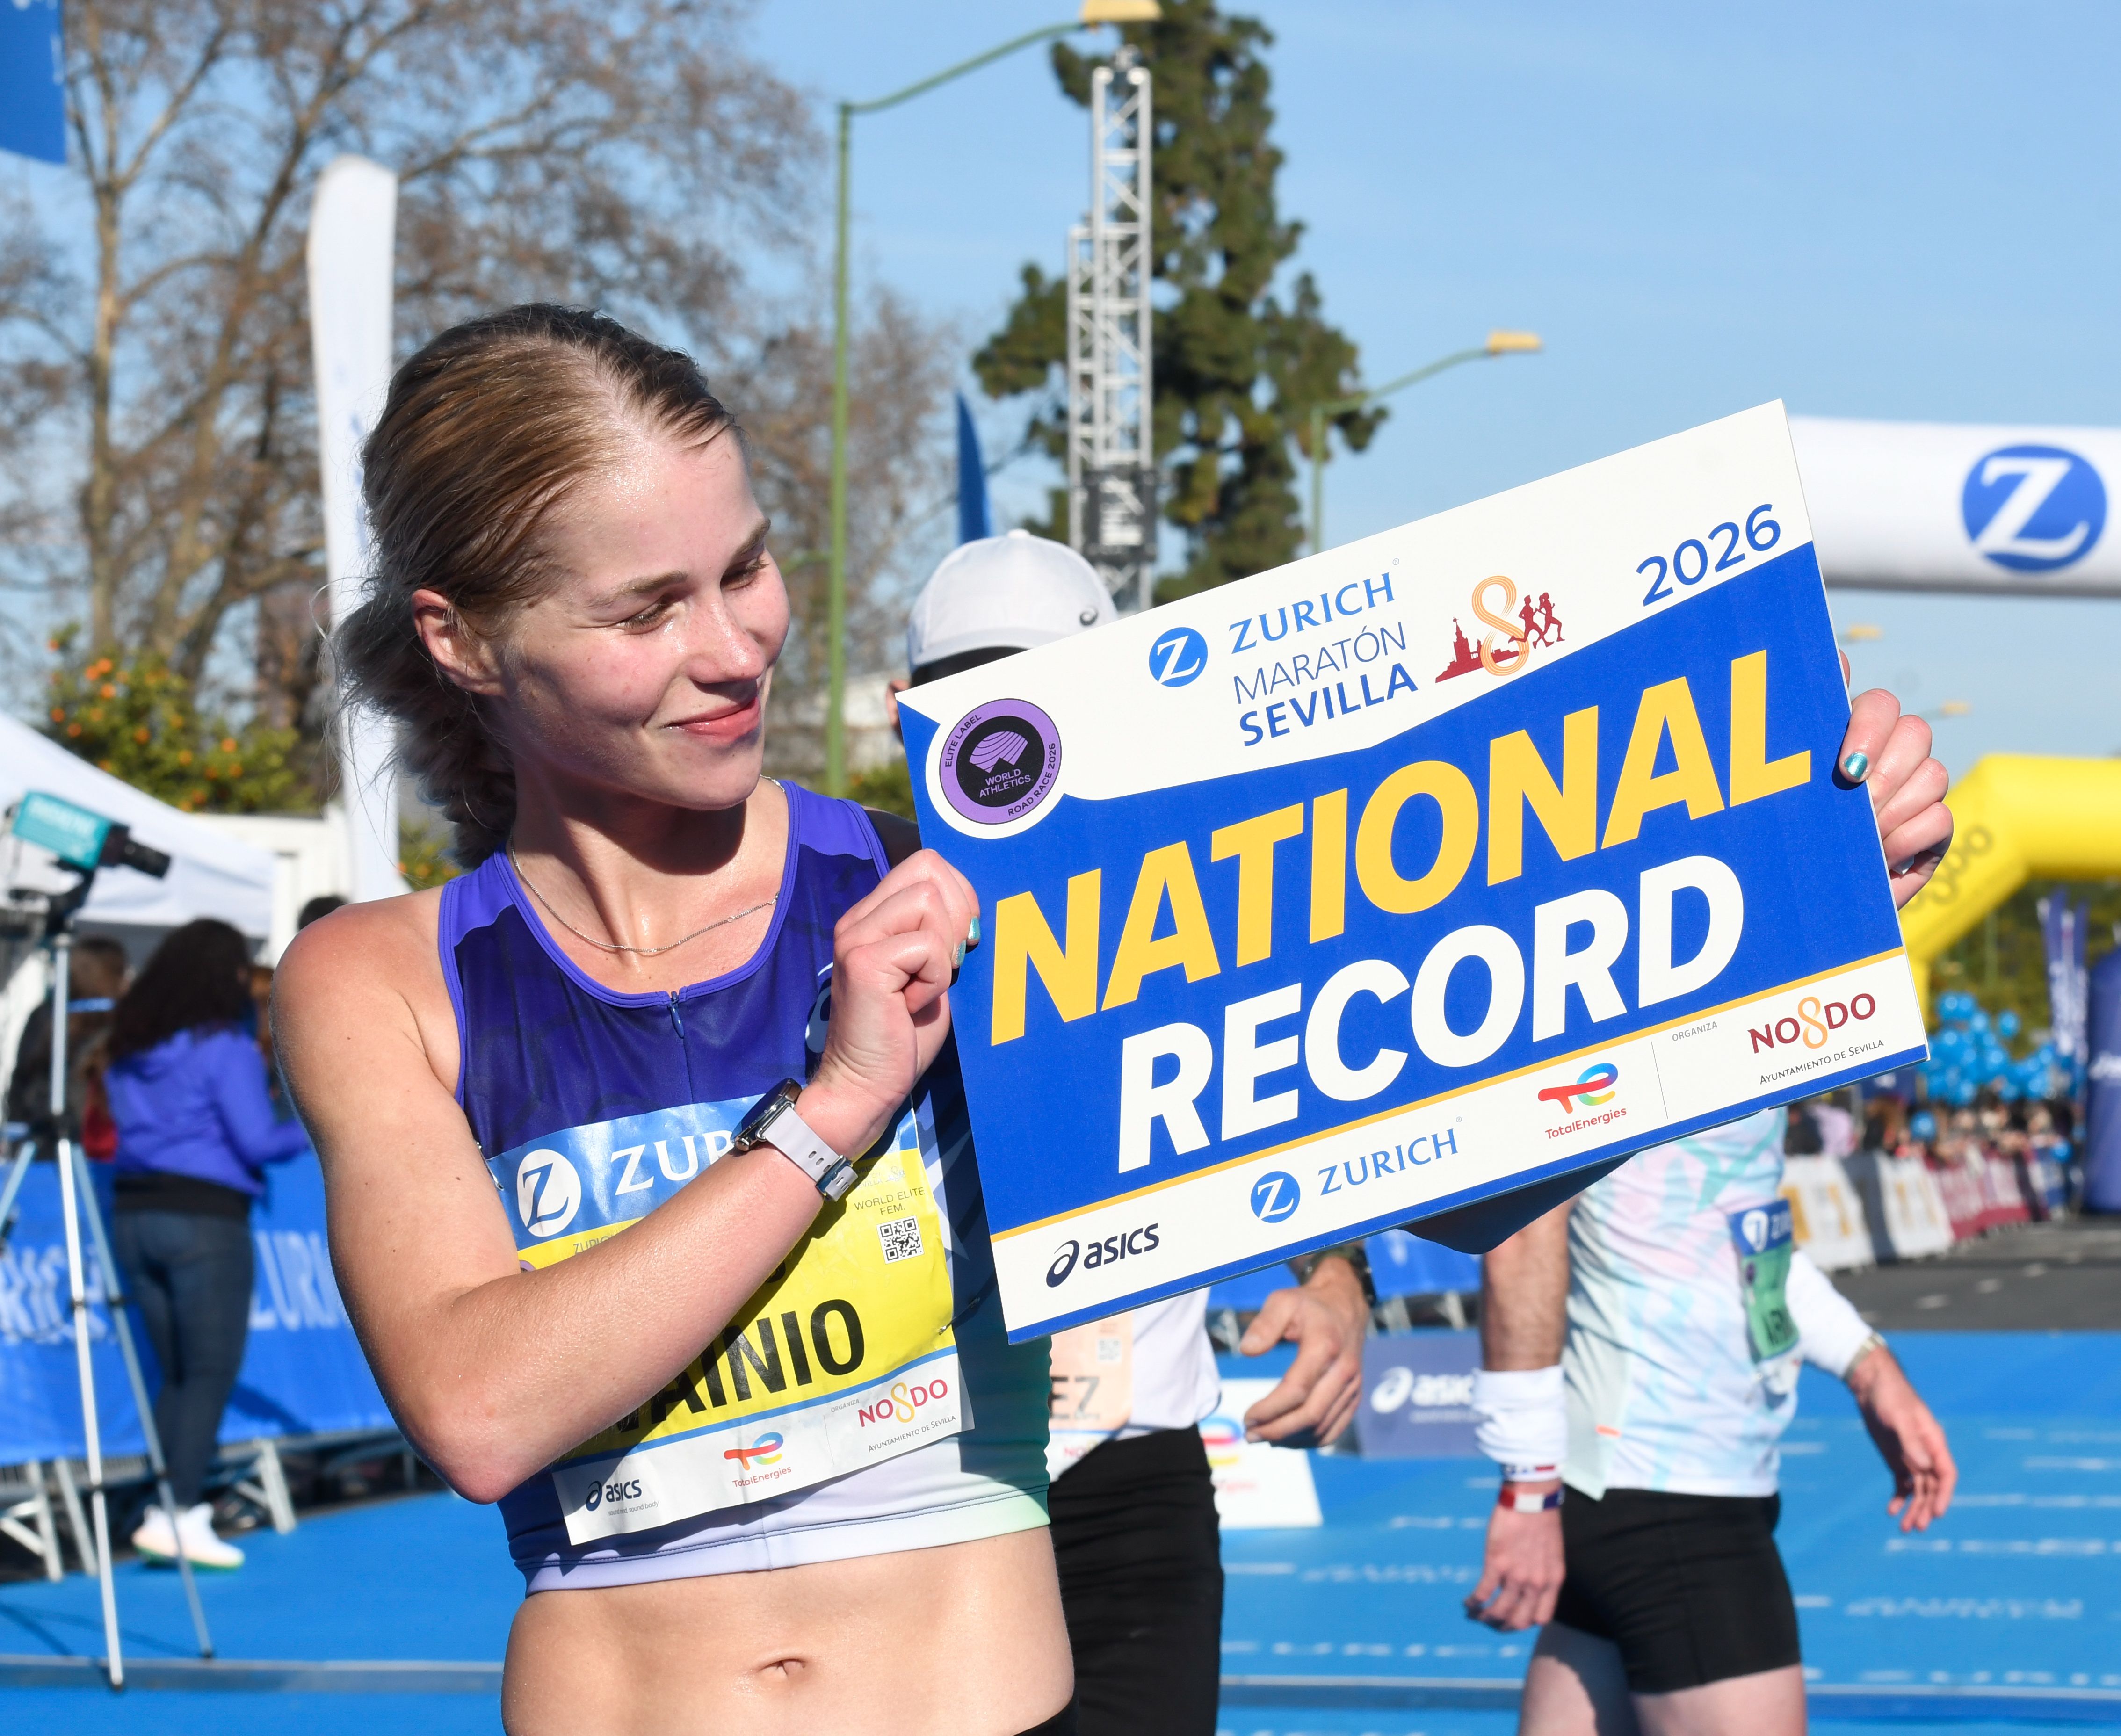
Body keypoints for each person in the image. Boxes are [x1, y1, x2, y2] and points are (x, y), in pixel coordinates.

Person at [275, 305, 1065, 1735]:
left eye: (746, 567)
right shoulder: (378, 978)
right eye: (648, 610)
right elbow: (481, 1406)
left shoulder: (941, 884)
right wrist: (832, 1110)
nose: (734, 645)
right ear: (461, 638)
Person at [886, 529, 1373, 1736]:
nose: (1006, 734)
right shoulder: (843, 906)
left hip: (1130, 1480)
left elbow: (1298, 1085)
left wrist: (1336, 1273)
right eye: (969, 695)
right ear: (906, 711)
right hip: (914, 1489)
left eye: (1044, 692)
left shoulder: (1208, 888)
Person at [1462, 690, 1959, 1736]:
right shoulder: (1614, 955)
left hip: (1659, 1477)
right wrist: (1525, 1482)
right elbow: (1520, 1222)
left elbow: (1743, 1229)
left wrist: (1869, 1364)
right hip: (1666, 1487)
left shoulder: (1734, 955)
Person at [103, 919, 314, 1570]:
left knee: (177, 1375)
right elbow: (257, 1143)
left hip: (135, 1215)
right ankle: (178, 1511)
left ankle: (167, 1507)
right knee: (209, 1372)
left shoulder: (127, 1045)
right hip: (204, 1220)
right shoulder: (221, 1045)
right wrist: (314, 1121)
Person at [8, 933, 128, 1154]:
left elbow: (20, 1080)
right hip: (91, 1143)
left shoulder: (46, 1016)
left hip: (40, 1138)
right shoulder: (121, 1021)